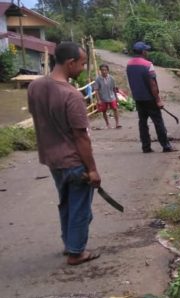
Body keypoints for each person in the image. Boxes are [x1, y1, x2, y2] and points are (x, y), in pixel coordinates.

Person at [28, 42, 102, 265]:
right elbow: (81, 137)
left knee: (67, 203)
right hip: (73, 162)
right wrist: (92, 169)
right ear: (70, 63)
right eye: (82, 63)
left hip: (52, 159)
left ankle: (70, 244)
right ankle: (76, 252)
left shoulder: (35, 87)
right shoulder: (71, 95)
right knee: (80, 207)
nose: (83, 67)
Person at [126, 41, 175, 153]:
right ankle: (166, 146)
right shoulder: (148, 65)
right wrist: (158, 100)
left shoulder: (129, 65)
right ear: (143, 52)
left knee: (142, 123)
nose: (147, 52)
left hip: (138, 99)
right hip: (150, 99)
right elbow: (153, 84)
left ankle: (146, 147)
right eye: (146, 50)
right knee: (158, 122)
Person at [94, 64, 121, 129]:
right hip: (103, 98)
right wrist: (98, 100)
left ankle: (117, 123)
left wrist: (116, 97)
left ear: (108, 70)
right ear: (100, 71)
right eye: (102, 70)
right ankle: (107, 124)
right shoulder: (98, 79)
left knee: (115, 109)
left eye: (105, 70)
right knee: (104, 111)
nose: (104, 71)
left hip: (111, 96)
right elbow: (96, 90)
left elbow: (114, 88)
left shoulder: (111, 78)